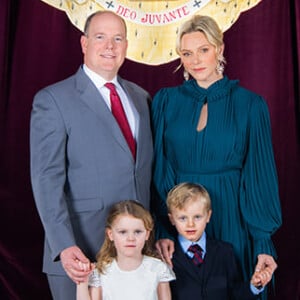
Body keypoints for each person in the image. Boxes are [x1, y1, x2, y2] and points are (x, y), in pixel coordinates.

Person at [151, 14, 282, 300]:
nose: (195, 60)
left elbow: (259, 176)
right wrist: (163, 226)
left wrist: (262, 240)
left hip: (233, 216)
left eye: (204, 50)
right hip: (181, 222)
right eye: (187, 53)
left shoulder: (251, 105)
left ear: (219, 49)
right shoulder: (165, 102)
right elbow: (160, 169)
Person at [30, 10, 153, 300]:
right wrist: (63, 245)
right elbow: (46, 179)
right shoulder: (53, 100)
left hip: (139, 256)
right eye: (100, 37)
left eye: (117, 38)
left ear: (126, 46)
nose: (110, 46)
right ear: (84, 43)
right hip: (82, 254)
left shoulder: (141, 97)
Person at [167, 182, 273, 300]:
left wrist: (254, 286)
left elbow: (234, 293)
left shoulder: (225, 251)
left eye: (197, 217)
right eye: (182, 218)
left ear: (208, 216)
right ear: (172, 219)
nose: (190, 224)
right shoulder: (166, 257)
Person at [76, 200, 175, 300]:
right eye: (123, 232)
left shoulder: (157, 268)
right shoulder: (101, 272)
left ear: (147, 234)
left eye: (137, 232)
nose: (130, 238)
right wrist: (82, 284)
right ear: (110, 234)